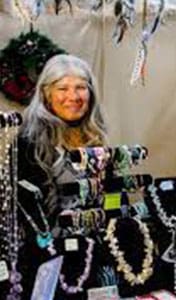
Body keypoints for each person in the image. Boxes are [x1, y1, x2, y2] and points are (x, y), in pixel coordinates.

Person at [16, 54, 109, 299]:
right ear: (46, 93)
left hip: (93, 249)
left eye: (81, 87)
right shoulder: (29, 141)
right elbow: (27, 211)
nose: (73, 97)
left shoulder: (95, 135)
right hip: (48, 258)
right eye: (63, 88)